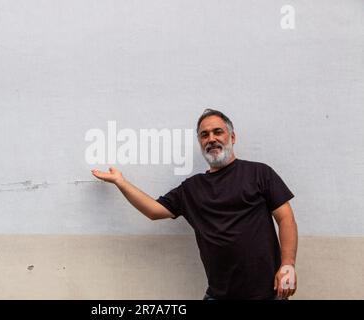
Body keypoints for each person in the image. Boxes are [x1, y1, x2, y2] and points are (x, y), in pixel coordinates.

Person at [91, 109, 298, 300]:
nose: (211, 139)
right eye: (204, 135)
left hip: (267, 293)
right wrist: (120, 182)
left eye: (218, 132)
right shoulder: (192, 189)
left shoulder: (259, 173)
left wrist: (288, 264)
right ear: (200, 142)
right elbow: (153, 211)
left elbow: (285, 218)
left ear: (232, 137)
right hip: (219, 295)